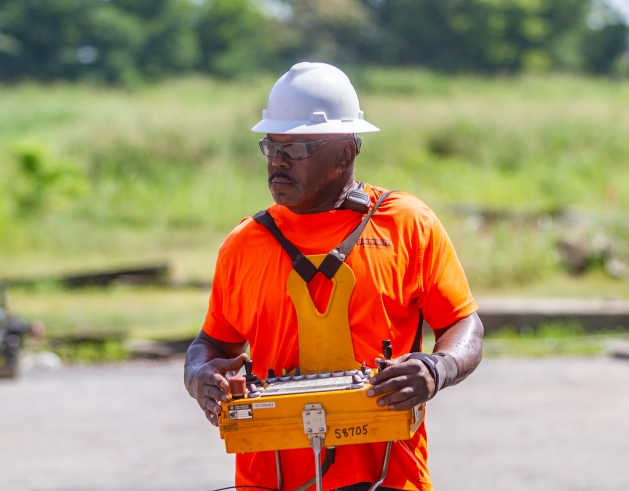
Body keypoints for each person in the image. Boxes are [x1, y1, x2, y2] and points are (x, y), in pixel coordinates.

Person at [184, 62, 484, 491]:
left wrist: (438, 367)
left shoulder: (405, 224)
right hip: (270, 477)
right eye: (272, 148)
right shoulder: (244, 243)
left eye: (298, 149)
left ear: (345, 152)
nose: (279, 164)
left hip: (388, 475)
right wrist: (198, 375)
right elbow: (212, 342)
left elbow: (463, 322)